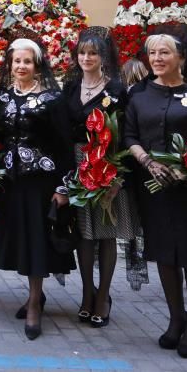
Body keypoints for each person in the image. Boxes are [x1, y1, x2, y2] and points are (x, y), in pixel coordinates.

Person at [125, 33, 187, 358]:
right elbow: (130, 135)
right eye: (152, 53)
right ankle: (176, 318)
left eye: (164, 52)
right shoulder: (139, 94)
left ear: (180, 57)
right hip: (155, 190)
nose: (156, 58)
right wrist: (148, 162)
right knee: (165, 255)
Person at [0, 38, 75, 338]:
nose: (22, 66)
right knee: (23, 241)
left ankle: (34, 307)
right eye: (17, 61)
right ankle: (34, 295)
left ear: (37, 65)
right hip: (13, 183)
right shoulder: (4, 97)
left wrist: (63, 188)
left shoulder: (53, 100)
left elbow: (65, 146)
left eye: (27, 61)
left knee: (38, 242)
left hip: (42, 183)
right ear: (10, 64)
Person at [62, 28, 134, 329]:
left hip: (107, 164)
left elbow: (127, 134)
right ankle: (87, 293)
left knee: (105, 233)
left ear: (104, 56)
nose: (87, 58)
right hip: (76, 165)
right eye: (82, 53)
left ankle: (103, 296)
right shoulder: (70, 88)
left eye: (93, 53)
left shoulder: (117, 90)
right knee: (83, 234)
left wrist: (117, 178)